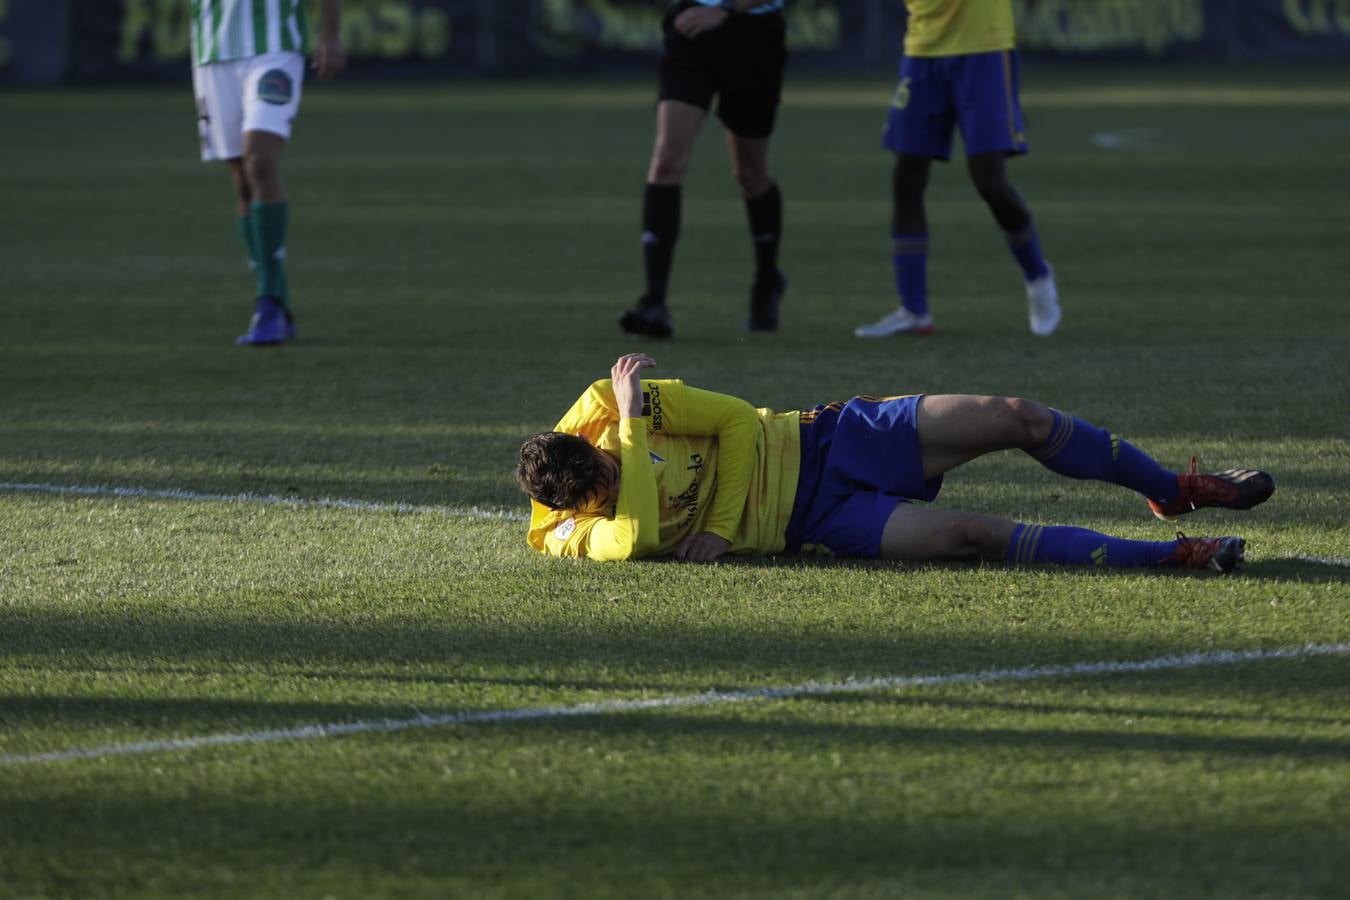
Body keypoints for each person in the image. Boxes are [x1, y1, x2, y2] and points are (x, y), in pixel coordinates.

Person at [517, 354, 1275, 572]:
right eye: (604, 491)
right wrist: (638, 458)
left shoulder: (615, 404)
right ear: (576, 507)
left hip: (826, 438)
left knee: (1017, 416)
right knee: (974, 533)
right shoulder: (566, 536)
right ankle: (1173, 555)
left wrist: (715, 520)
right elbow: (640, 536)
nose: (617, 476)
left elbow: (739, 427)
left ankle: (1172, 490)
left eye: (609, 465)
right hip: (818, 519)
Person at [854, 0, 1061, 339]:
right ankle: (914, 310)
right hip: (923, 49)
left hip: (984, 48)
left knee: (989, 179)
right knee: (906, 175)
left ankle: (1037, 274)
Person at [618, 0, 789, 339]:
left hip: (751, 32)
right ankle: (654, 302)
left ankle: (767, 280)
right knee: (667, 158)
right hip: (690, 28)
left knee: (750, 173)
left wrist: (725, 9)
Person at [189, 0, 346, 346]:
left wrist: (330, 34)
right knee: (243, 182)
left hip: (275, 47)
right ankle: (276, 301)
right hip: (213, 51)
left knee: (260, 161)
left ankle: (269, 303)